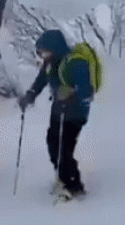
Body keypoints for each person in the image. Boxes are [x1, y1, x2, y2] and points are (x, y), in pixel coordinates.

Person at [18, 29, 93, 199]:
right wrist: (30, 95)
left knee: (64, 148)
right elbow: (40, 81)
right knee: (53, 143)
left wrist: (71, 94)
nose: (41, 55)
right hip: (58, 110)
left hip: (76, 113)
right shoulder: (50, 64)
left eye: (44, 51)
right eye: (40, 52)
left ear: (54, 48)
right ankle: (62, 176)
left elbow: (87, 92)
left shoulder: (76, 63)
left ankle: (72, 184)